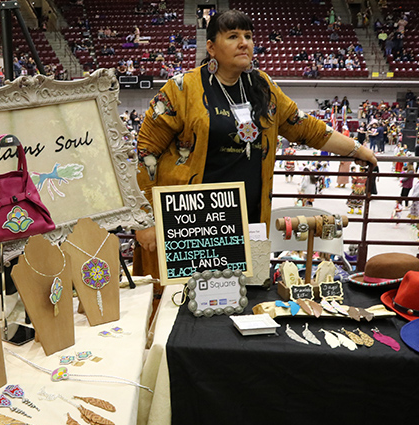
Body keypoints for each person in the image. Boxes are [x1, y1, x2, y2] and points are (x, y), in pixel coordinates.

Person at [132, 10, 376, 299]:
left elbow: (306, 128)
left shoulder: (263, 87)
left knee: (239, 301)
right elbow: (146, 152)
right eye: (233, 36)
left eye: (248, 36)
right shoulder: (182, 89)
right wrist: (145, 220)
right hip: (190, 221)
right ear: (211, 47)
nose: (244, 43)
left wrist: (358, 150)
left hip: (247, 219)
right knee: (184, 305)